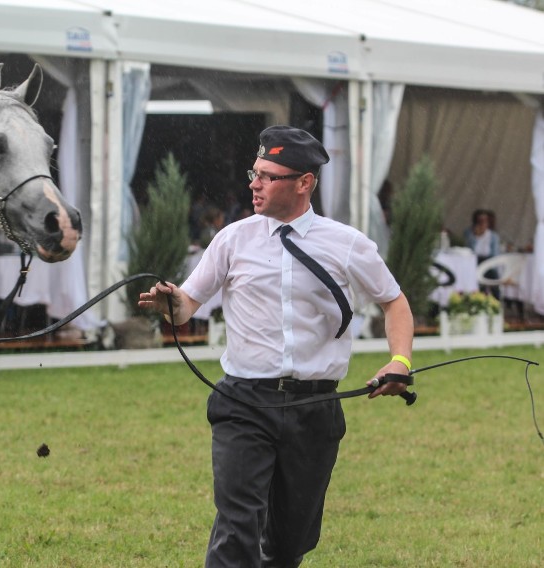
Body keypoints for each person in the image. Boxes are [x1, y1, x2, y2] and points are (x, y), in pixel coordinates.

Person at [139, 125, 413, 568]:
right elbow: (187, 304)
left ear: (304, 183)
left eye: (268, 175)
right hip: (244, 402)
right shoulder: (232, 239)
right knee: (236, 527)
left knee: (288, 544)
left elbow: (394, 302)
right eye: (254, 172)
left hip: (315, 407)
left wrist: (399, 360)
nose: (254, 183)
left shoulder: (347, 244)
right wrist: (170, 304)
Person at [463, 208, 501, 297]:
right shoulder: (469, 233)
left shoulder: (493, 236)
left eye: (484, 220)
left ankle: (495, 299)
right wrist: (476, 236)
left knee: (492, 275)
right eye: (480, 220)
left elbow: (495, 254)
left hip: (488, 260)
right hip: (473, 260)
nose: (482, 222)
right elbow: (469, 249)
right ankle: (477, 295)